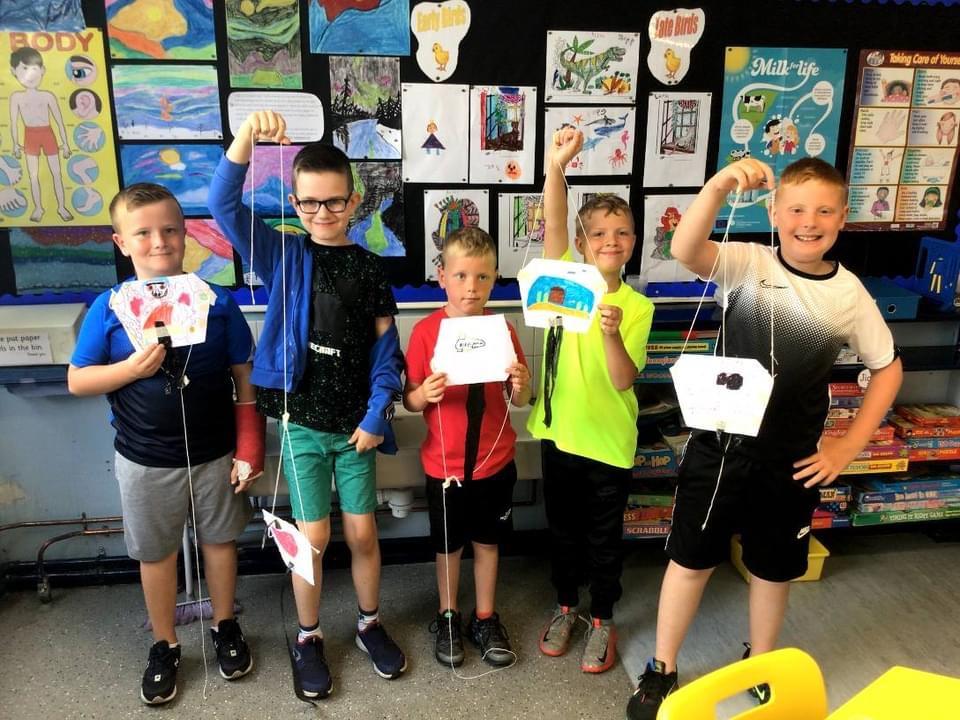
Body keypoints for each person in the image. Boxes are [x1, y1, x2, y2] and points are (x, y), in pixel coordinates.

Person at [625, 157, 903, 719]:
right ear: (774, 212)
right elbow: (684, 248)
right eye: (796, 209)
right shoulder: (747, 262)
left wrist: (847, 445)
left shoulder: (849, 293)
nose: (809, 221)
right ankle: (662, 667)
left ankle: (763, 661)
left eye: (824, 211)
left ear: (842, 218)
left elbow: (888, 368)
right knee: (690, 560)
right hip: (720, 449)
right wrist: (720, 184)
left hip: (792, 460)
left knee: (773, 570)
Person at [207, 110, 406, 699]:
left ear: (354, 201)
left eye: (334, 202)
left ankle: (369, 624)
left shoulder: (369, 268)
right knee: (311, 536)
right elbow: (221, 204)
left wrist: (376, 414)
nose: (323, 212)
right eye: (310, 203)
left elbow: (387, 353)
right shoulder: (283, 256)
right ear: (294, 203)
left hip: (356, 429)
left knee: (363, 532)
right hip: (301, 426)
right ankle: (308, 636)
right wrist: (245, 137)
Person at [68, 183, 263, 705]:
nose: (160, 241)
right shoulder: (110, 308)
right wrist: (129, 370)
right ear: (121, 242)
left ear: (185, 235)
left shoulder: (217, 302)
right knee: (155, 554)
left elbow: (245, 377)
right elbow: (78, 380)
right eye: (144, 233)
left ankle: (225, 624)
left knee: (220, 542)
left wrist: (249, 446)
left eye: (171, 229)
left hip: (216, 452)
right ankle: (165, 644)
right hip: (145, 459)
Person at [531, 128, 654, 674]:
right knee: (562, 532)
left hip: (609, 441)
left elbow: (625, 380)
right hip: (560, 434)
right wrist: (556, 166)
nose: (611, 240)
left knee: (605, 539)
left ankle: (602, 618)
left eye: (622, 232)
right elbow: (556, 219)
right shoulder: (564, 280)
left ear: (635, 241)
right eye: (599, 233)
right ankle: (565, 609)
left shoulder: (639, 306)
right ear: (582, 244)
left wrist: (611, 332)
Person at [403, 227, 532, 669]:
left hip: (495, 463)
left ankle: (485, 617)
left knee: (488, 542)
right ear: (442, 276)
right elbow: (410, 399)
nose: (471, 287)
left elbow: (520, 399)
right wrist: (425, 394)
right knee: (448, 547)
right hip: (446, 467)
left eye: (482, 277)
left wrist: (521, 385)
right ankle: (448, 616)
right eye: (460, 276)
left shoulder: (503, 329)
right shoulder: (426, 333)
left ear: (494, 278)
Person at [8, 47, 73, 222]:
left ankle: (61, 207)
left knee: (56, 173)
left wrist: (66, 143)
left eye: (34, 69)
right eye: (24, 68)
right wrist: (15, 144)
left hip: (48, 134)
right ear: (14, 71)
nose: (30, 74)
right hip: (30, 136)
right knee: (33, 175)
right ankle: (38, 208)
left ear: (42, 70)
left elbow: (59, 122)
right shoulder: (16, 97)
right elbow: (14, 122)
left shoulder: (48, 96)